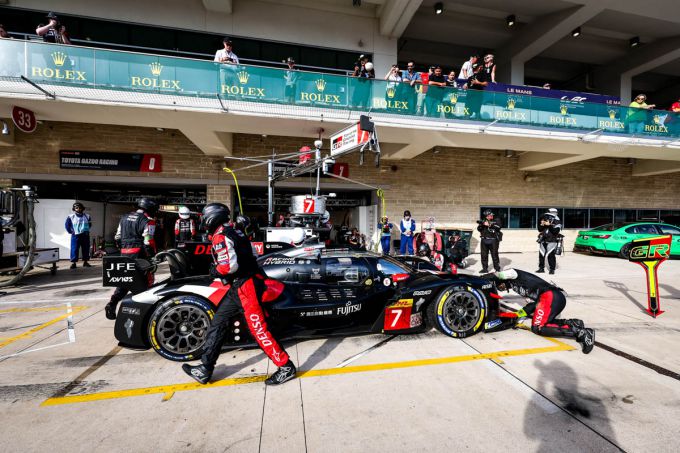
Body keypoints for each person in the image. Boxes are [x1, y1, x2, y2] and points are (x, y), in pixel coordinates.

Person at [182, 203, 296, 386]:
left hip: (246, 287)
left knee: (258, 330)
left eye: (204, 215)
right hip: (240, 286)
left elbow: (229, 266)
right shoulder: (236, 231)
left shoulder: (221, 236)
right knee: (218, 323)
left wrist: (215, 270)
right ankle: (205, 369)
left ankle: (286, 367)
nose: (203, 219)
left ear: (212, 217)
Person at [483, 268, 595, 354]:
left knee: (538, 328)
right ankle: (573, 323)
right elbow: (532, 305)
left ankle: (582, 332)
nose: (500, 288)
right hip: (552, 299)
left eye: (500, 285)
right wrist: (517, 315)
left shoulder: (514, 274)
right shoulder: (517, 288)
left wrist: (485, 278)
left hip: (550, 296)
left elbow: (501, 274)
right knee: (545, 322)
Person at [105, 198, 157, 320]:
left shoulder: (124, 217)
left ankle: (112, 303)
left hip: (125, 253)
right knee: (145, 283)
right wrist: (151, 256)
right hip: (140, 255)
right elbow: (148, 241)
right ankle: (142, 313)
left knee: (125, 280)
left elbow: (117, 237)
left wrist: (123, 249)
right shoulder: (148, 221)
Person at [65, 202, 92, 269]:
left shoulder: (87, 216)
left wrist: (85, 230)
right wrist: (71, 232)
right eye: (76, 208)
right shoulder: (71, 216)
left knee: (86, 249)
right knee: (74, 249)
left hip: (85, 235)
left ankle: (85, 262)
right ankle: (73, 263)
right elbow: (67, 225)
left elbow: (90, 224)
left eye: (80, 207)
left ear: (82, 208)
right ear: (74, 209)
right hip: (76, 236)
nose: (78, 209)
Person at [537, 208, 562, 274]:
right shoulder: (545, 220)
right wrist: (541, 224)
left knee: (551, 255)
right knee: (541, 255)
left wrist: (550, 225)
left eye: (549, 215)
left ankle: (552, 269)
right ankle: (541, 268)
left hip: (552, 240)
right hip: (543, 240)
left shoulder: (557, 221)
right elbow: (539, 230)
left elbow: (555, 231)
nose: (547, 216)